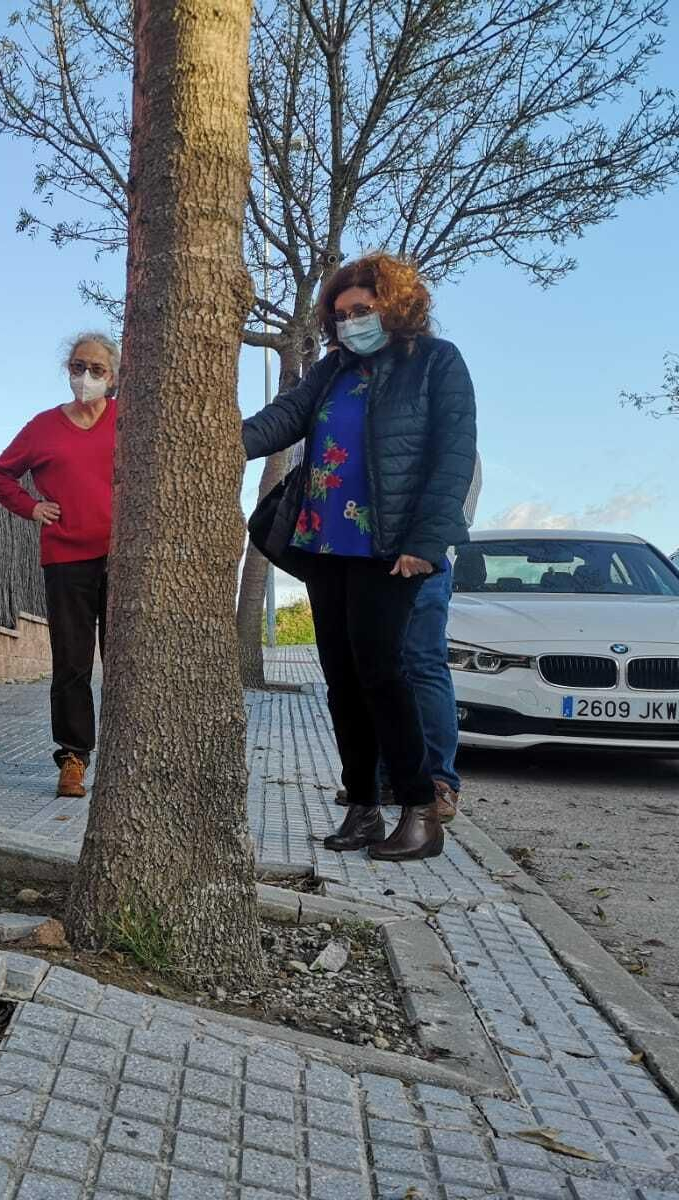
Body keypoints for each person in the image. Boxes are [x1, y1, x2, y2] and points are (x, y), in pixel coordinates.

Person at [243, 253, 476, 862]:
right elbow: (282, 419)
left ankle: (421, 809)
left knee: (383, 675)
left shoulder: (435, 363)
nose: (349, 323)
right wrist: (218, 437)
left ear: (395, 305)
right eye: (341, 314)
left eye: (362, 310)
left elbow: (452, 455)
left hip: (388, 547)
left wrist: (426, 542)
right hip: (325, 546)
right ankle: (364, 807)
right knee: (341, 681)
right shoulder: (330, 371)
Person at [0, 333, 119, 799]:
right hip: (66, 559)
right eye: (79, 367)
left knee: (126, 661)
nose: (86, 378)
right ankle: (73, 757)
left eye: (97, 370)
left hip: (124, 558)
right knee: (72, 662)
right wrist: (31, 508)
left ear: (114, 375)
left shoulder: (129, 421)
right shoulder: (42, 427)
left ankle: (126, 756)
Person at [339, 455, 482, 815]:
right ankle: (389, 778)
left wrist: (422, 544)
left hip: (421, 558)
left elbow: (460, 501)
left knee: (422, 663)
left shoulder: (444, 422)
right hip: (364, 557)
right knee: (377, 666)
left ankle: (438, 782)